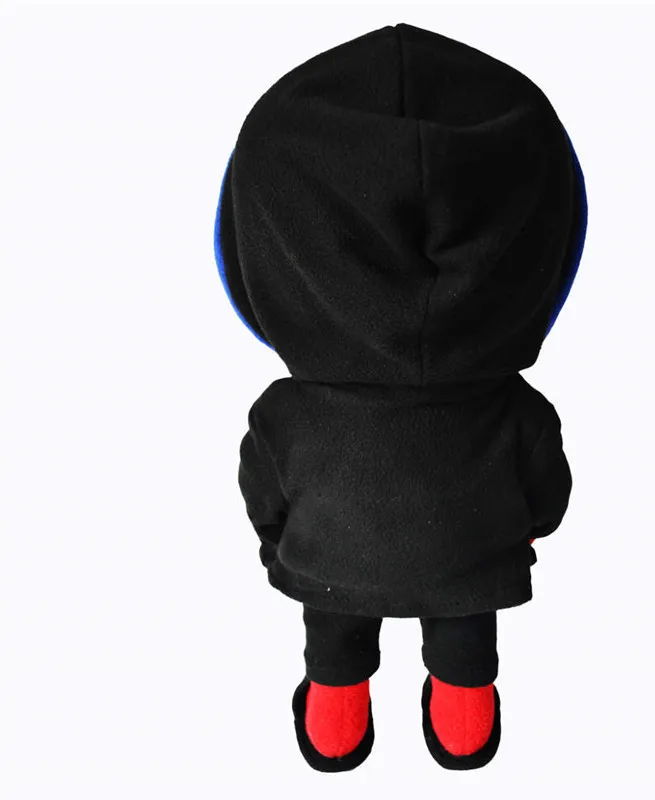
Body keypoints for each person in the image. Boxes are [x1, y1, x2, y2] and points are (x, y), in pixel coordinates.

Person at [215, 22, 587, 771]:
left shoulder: (286, 414)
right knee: (464, 638)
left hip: (330, 560)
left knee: (333, 637)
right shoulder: (515, 409)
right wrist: (526, 529)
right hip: (469, 562)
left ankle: (335, 716)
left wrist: (277, 542)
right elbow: (547, 492)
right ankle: (463, 719)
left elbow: (263, 491)